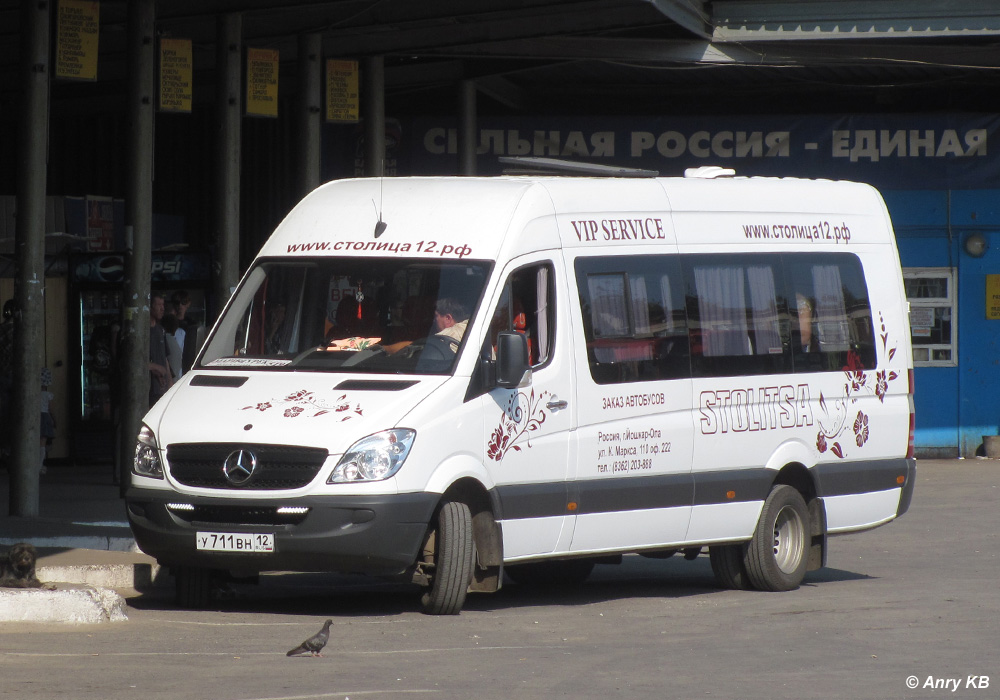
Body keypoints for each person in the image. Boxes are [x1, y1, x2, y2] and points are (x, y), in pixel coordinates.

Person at [149, 294, 173, 407]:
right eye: (158, 305)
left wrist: (170, 382)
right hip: (148, 389)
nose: (162, 308)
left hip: (161, 389)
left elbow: (165, 358)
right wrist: (155, 367)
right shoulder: (143, 332)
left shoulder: (160, 330)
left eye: (163, 304)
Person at [39, 367, 55, 476]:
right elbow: (51, 409)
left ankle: (35, 464)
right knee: (42, 444)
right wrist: (54, 420)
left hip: (36, 417)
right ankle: (40, 465)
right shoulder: (48, 395)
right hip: (45, 417)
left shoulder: (34, 394)